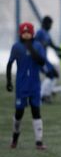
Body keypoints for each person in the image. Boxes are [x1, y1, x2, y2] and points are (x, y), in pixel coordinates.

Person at [6, 22, 47, 150]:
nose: (26, 34)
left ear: (33, 33)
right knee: (19, 112)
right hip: (21, 85)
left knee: (36, 111)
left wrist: (31, 49)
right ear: (20, 33)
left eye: (28, 32)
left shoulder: (38, 46)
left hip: (34, 85)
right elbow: (9, 64)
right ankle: (14, 138)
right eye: (24, 32)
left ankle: (39, 142)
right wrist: (9, 81)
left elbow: (41, 61)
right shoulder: (16, 47)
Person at [34, 16, 60, 103]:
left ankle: (46, 95)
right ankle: (39, 97)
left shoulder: (47, 34)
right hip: (40, 59)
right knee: (50, 75)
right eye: (50, 24)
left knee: (55, 75)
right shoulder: (40, 32)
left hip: (45, 59)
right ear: (45, 24)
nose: (51, 26)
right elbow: (34, 44)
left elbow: (53, 45)